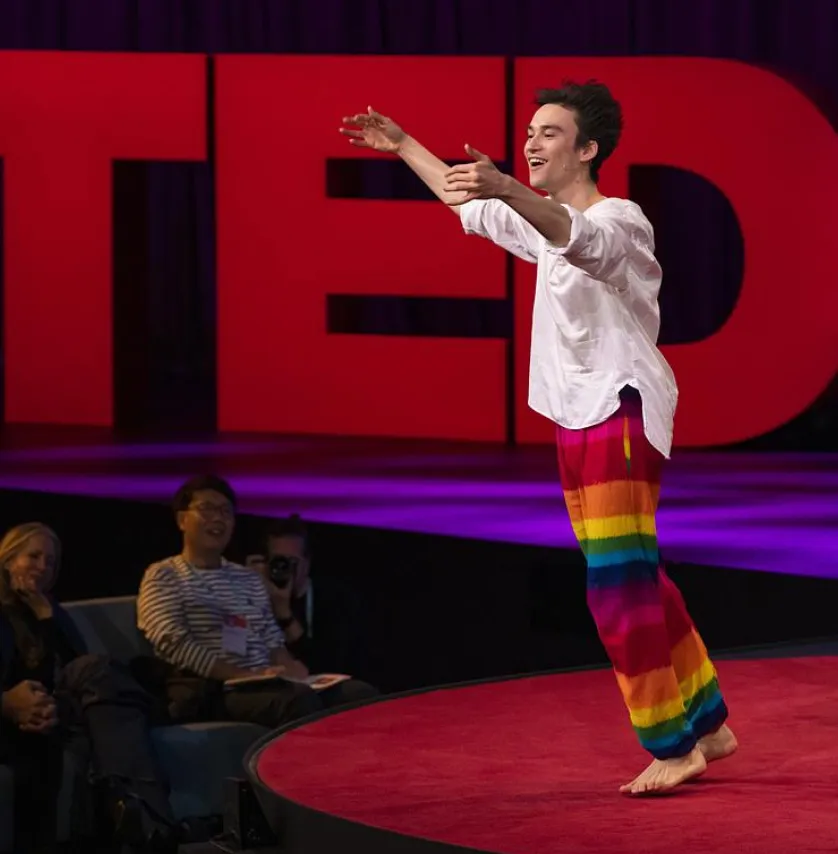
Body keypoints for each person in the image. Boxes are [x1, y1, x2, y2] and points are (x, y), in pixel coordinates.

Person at [339, 81, 737, 795]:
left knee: (615, 585)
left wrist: (509, 188)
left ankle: (674, 744)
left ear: (587, 150)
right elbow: (472, 203)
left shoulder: (622, 219)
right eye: (529, 131)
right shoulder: (538, 214)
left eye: (549, 133)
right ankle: (707, 719)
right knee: (635, 570)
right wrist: (403, 146)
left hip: (619, 409)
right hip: (575, 413)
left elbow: (575, 236)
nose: (531, 142)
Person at [136, 475, 377, 730]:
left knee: (359, 693)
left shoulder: (247, 578)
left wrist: (291, 668)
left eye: (226, 511)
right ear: (182, 519)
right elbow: (172, 641)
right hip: (214, 688)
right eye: (207, 509)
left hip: (264, 680)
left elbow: (271, 638)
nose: (218, 518)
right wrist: (243, 675)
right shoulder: (163, 574)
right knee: (296, 702)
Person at [0, 522, 178, 853]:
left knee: (102, 681)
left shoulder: (50, 610)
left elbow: (76, 668)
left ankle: (137, 814)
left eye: (51, 561)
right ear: (8, 560)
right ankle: (149, 820)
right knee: (103, 677)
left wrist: (46, 618)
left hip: (61, 704)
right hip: (23, 709)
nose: (42, 567)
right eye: (33, 556)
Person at [246, 514, 370, 677]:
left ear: (307, 563)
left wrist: (285, 615)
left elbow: (330, 667)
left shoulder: (335, 599)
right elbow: (235, 650)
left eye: (292, 561)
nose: (285, 568)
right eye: (278, 561)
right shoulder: (255, 596)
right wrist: (244, 588)